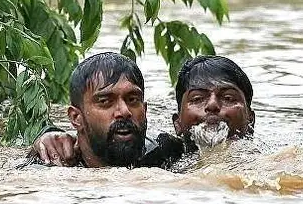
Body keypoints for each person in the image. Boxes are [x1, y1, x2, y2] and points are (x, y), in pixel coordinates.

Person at [32, 55, 254, 167]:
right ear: (76, 117)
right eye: (105, 101)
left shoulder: (165, 152)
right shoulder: (51, 165)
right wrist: (46, 136)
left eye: (133, 99)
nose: (124, 111)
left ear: (145, 110)